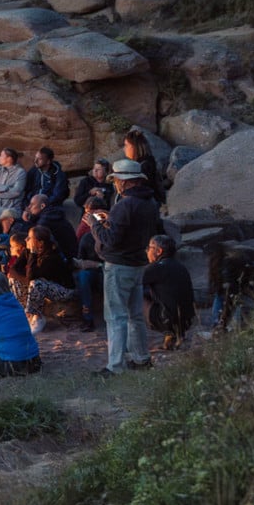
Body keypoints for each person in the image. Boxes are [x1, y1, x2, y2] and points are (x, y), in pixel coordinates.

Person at [90, 159, 163, 376]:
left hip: (119, 265)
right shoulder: (151, 203)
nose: (115, 184)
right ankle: (141, 358)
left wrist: (94, 224)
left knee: (115, 316)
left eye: (117, 180)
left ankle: (115, 365)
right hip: (138, 263)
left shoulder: (125, 204)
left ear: (123, 181)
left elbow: (110, 239)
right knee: (135, 315)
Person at [144, 234, 197, 350]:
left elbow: (133, 281)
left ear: (158, 251)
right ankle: (174, 336)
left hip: (166, 319)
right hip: (187, 320)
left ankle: (132, 343)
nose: (146, 251)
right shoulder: (180, 266)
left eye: (149, 248)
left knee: (133, 296)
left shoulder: (157, 267)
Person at [23, 225, 78, 333]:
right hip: (48, 285)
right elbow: (13, 270)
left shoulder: (51, 256)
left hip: (64, 290)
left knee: (36, 283)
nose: (26, 240)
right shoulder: (31, 251)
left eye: (30, 238)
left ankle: (37, 316)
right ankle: (24, 313)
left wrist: (32, 254)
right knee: (14, 280)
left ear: (40, 242)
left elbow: (31, 277)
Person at [73, 196, 106, 332]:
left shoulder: (112, 231)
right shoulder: (87, 236)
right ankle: (87, 317)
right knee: (83, 276)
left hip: (110, 268)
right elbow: (79, 260)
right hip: (95, 270)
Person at [24, 193, 79, 259]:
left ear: (42, 206)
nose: (29, 207)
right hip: (71, 254)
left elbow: (35, 237)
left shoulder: (45, 221)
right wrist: (30, 218)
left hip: (65, 258)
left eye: (32, 204)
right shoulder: (52, 214)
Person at [123, 129, 166, 206]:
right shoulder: (147, 162)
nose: (124, 149)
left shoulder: (143, 166)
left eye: (126, 145)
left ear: (134, 147)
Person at [0, 148, 28, 221]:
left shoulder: (20, 172)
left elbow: (16, 192)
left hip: (10, 207)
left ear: (9, 158)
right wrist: (6, 188)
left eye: (1, 155)